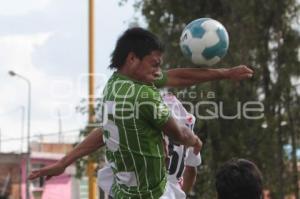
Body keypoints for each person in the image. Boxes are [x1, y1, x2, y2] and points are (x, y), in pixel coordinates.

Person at [29, 27, 254, 199]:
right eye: (154, 64)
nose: (159, 72)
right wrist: (193, 139)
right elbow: (180, 136)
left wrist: (65, 161)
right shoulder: (145, 97)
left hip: (123, 190)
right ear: (132, 59)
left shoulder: (112, 87)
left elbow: (176, 77)